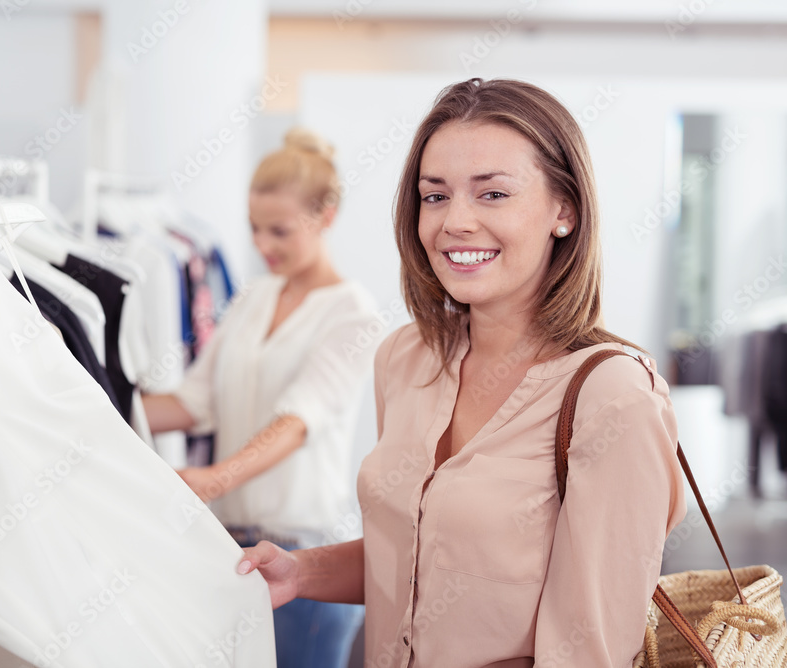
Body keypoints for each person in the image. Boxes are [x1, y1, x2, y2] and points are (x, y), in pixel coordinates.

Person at [237, 78, 687, 667]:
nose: (455, 222)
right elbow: (417, 554)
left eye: (493, 194)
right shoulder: (404, 359)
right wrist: (301, 571)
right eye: (435, 196)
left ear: (565, 210)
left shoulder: (615, 397)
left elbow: (591, 649)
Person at [143, 128, 385, 668]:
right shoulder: (253, 297)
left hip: (301, 555)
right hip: (231, 551)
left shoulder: (354, 314)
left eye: (279, 230)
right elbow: (190, 402)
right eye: (255, 230)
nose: (263, 246)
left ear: (327, 215)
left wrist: (214, 478)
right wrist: (98, 400)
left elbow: (299, 419)